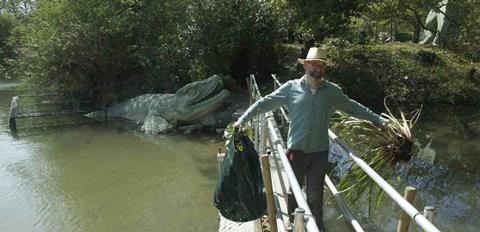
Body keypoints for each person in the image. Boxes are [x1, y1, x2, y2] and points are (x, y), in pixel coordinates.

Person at [233, 47, 387, 229]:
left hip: (319, 153)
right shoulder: (291, 88)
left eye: (321, 65)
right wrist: (243, 119)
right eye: (314, 64)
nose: (318, 69)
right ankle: (292, 224)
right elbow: (265, 102)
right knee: (294, 191)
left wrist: (379, 120)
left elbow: (354, 107)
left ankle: (317, 227)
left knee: (315, 195)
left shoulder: (332, 92)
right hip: (296, 152)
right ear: (306, 65)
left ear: (325, 69)